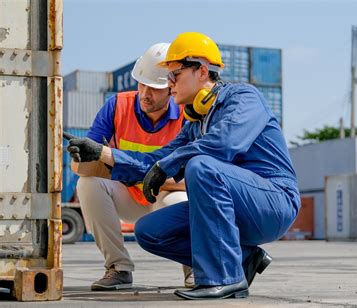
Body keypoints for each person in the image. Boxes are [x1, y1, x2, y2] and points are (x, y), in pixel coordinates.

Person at [65, 32, 300, 300]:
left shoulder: (243, 97)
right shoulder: (195, 124)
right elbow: (157, 160)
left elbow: (224, 143)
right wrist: (102, 153)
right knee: (150, 232)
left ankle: (225, 278)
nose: (170, 83)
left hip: (272, 203)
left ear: (201, 71)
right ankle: (243, 258)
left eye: (174, 75)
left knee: (202, 165)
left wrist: (167, 166)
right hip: (235, 209)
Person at [71, 43, 193, 291]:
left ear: (171, 87)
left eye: (155, 88)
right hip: (128, 196)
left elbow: (193, 178)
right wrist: (81, 156)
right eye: (141, 84)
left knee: (182, 200)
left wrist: (152, 179)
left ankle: (195, 268)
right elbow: (91, 160)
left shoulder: (186, 115)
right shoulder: (117, 106)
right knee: (87, 184)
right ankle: (118, 268)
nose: (145, 93)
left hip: (164, 197)